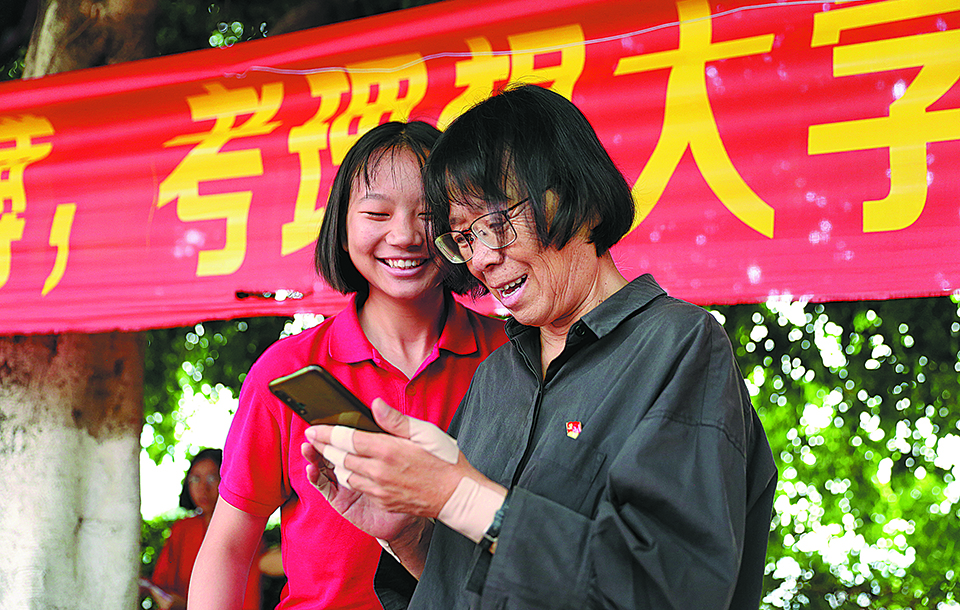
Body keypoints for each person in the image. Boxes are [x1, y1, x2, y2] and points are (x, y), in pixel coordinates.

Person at [301, 84, 778, 609]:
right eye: (462, 238)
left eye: (496, 223)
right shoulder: (496, 377)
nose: (480, 259)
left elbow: (669, 587)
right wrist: (408, 535)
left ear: (581, 198)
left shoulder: (679, 347)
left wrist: (456, 493)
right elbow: (466, 582)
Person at [188, 121, 508, 610]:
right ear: (341, 227)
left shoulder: (514, 356)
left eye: (429, 214)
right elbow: (230, 545)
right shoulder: (286, 369)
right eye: (377, 212)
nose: (403, 235)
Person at [147, 448, 262, 610]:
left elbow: (259, 566)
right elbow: (159, 583)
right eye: (195, 478)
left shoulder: (243, 527)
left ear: (226, 479)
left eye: (212, 478)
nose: (202, 488)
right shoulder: (182, 529)